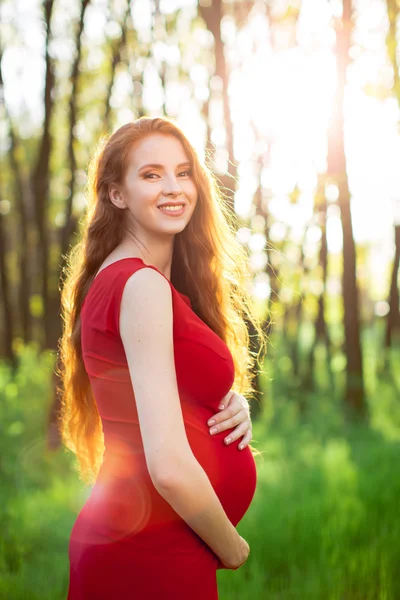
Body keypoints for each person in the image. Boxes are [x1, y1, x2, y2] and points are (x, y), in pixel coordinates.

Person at [58, 116, 267, 599]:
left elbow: (148, 396)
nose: (173, 188)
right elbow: (169, 466)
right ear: (116, 194)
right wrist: (231, 547)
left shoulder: (126, 282)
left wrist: (224, 400)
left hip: (142, 543)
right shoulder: (142, 285)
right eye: (151, 175)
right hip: (149, 557)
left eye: (183, 172)